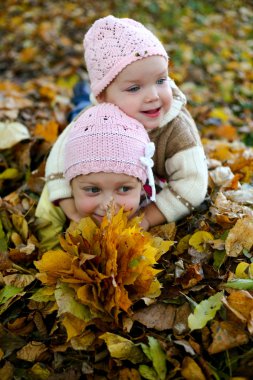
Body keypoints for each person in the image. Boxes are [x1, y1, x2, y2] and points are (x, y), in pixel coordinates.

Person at [44, 15, 208, 231]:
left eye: (161, 81)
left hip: (145, 189)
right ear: (103, 96)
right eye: (134, 88)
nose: (153, 96)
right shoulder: (93, 118)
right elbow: (58, 159)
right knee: (78, 109)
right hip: (94, 110)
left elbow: (193, 183)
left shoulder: (175, 130)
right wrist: (69, 206)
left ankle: (82, 92)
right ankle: (81, 93)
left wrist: (149, 216)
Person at [35, 103, 156, 251]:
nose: (108, 205)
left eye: (124, 188)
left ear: (142, 187)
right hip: (84, 120)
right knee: (79, 108)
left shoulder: (149, 202)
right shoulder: (52, 206)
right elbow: (48, 251)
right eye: (93, 190)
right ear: (70, 186)